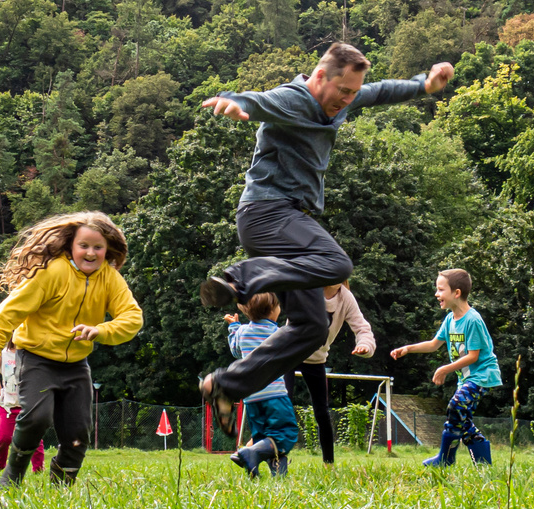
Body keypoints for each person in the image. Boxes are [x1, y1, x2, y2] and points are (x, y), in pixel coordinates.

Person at [194, 42, 454, 436]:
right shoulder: (293, 99)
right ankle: (238, 279)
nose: (347, 100)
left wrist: (425, 84)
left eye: (352, 93)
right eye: (342, 92)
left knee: (312, 326)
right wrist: (233, 101)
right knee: (338, 264)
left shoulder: (345, 95)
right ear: (319, 78)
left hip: (285, 223)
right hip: (267, 213)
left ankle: (227, 384)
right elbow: (261, 101)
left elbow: (380, 91)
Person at [0, 211, 143, 488]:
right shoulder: (52, 272)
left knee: (79, 432)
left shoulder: (110, 279)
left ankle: (61, 485)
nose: (90, 253)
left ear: (108, 249)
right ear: (71, 246)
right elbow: (9, 312)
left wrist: (100, 330)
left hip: (77, 364)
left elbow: (132, 318)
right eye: (84, 246)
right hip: (37, 358)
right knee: (36, 418)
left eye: (98, 247)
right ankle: (13, 474)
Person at [390, 269, 499, 467]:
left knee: (456, 405)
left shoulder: (472, 320)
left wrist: (444, 369)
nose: (436, 294)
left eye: (441, 290)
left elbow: (473, 357)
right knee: (461, 420)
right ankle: (483, 464)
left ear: (456, 293)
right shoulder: (450, 320)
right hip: (466, 379)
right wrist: (407, 348)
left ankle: (446, 458)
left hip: (481, 375)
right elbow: (433, 344)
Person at [297, 282, 375, 465]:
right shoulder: (308, 287)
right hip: (291, 353)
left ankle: (328, 464)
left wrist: (365, 345)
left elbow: (363, 328)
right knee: (280, 403)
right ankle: (265, 453)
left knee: (322, 413)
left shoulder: (345, 298)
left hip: (316, 359)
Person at [225, 293, 297, 477]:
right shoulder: (278, 333)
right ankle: (250, 453)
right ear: (272, 311)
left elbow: (235, 350)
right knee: (284, 435)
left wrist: (234, 327)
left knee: (265, 438)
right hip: (275, 394)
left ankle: (275, 477)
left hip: (252, 399)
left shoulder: (242, 332)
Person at [0, 344, 46, 474]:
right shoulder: (3, 353)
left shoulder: (32, 353)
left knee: (34, 438)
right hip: (8, 405)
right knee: (4, 438)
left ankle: (38, 469)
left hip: (29, 404)